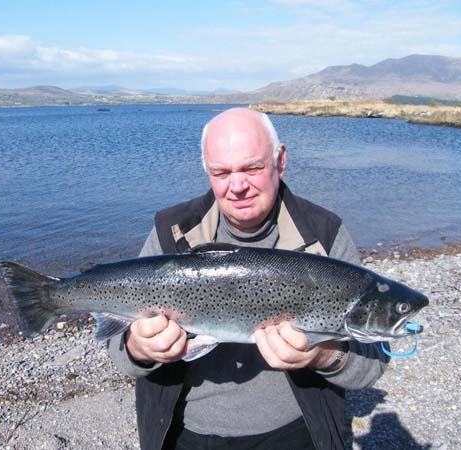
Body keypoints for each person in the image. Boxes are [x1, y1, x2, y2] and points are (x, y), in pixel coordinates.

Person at [108, 108, 388, 450]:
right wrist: (140, 348)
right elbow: (120, 351)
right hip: (183, 435)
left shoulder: (324, 235)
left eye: (252, 168)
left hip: (297, 434)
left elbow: (372, 362)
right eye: (221, 172)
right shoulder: (171, 232)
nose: (237, 186)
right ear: (207, 172)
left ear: (280, 160)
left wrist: (322, 356)